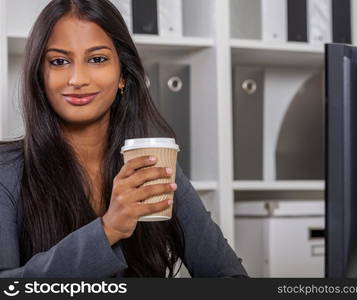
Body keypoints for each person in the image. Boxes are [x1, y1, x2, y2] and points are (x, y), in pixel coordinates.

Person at [0, 0, 248, 278]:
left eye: (97, 59)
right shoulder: (6, 170)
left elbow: (230, 277)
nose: (77, 78)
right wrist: (108, 230)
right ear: (39, 77)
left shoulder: (153, 166)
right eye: (59, 61)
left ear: (122, 75)